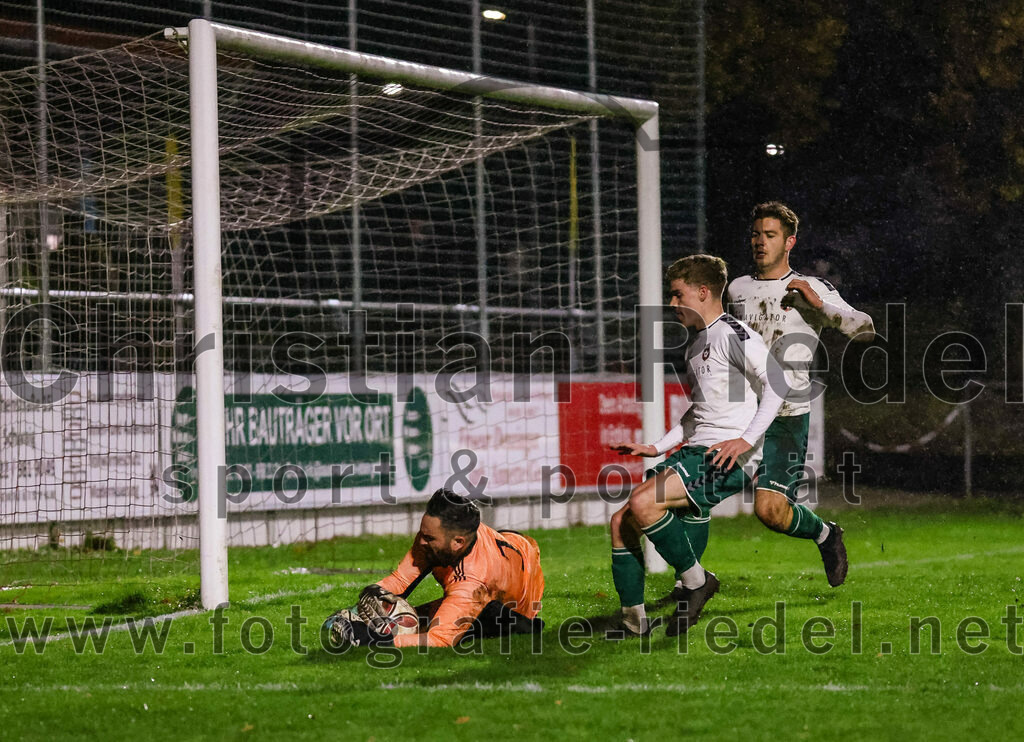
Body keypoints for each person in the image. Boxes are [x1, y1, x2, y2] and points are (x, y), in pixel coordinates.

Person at [607, 254, 785, 637]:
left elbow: (778, 385)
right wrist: (658, 447)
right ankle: (634, 622)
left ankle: (696, 582)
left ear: (703, 292)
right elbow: (699, 413)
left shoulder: (733, 334)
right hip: (696, 451)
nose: (672, 303)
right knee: (621, 523)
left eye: (678, 294)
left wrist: (746, 440)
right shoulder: (697, 344)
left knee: (643, 503)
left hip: (726, 456)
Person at [725, 201, 875, 588]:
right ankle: (689, 580)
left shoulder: (813, 288)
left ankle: (826, 534)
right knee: (689, 493)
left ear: (789, 242)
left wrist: (818, 305)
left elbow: (865, 330)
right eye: (756, 234)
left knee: (771, 511)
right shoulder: (736, 288)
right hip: (738, 414)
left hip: (786, 416)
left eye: (770, 235)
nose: (760, 242)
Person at [325, 488, 544, 649]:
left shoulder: (472, 583)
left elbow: (440, 640)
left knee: (452, 623)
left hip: (517, 595)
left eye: (429, 538)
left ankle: (526, 626)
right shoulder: (439, 537)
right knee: (405, 617)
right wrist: (367, 598)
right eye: (422, 533)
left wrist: (371, 639)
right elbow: (401, 580)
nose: (421, 542)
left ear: (458, 543)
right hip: (512, 545)